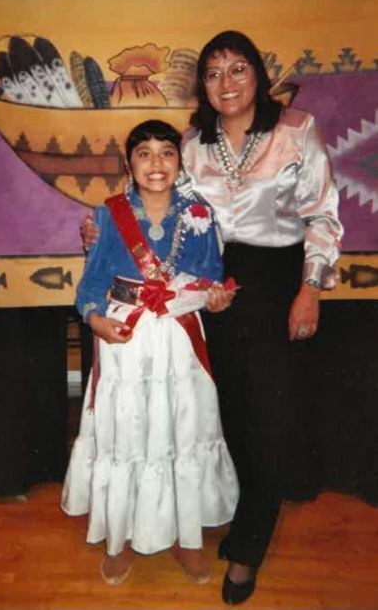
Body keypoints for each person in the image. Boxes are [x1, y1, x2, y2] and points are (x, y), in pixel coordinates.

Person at [81, 31, 343, 604]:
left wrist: (311, 288)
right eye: (214, 72)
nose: (226, 83)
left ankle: (248, 548)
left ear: (259, 75)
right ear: (203, 84)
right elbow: (158, 196)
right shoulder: (193, 141)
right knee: (220, 415)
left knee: (269, 419)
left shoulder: (297, 130)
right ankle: (220, 514)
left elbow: (323, 214)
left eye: (238, 69)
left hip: (277, 281)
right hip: (206, 288)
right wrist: (104, 230)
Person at [62, 120, 239, 587]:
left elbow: (211, 276)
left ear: (180, 163)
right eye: (145, 154)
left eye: (166, 153)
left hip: (179, 338)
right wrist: (96, 319)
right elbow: (92, 285)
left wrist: (216, 298)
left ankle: (189, 539)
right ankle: (119, 540)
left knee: (181, 429)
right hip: (126, 338)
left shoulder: (199, 213)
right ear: (129, 163)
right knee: (128, 433)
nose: (156, 163)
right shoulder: (107, 216)